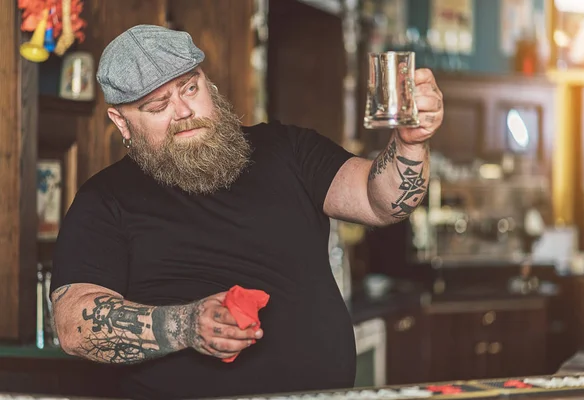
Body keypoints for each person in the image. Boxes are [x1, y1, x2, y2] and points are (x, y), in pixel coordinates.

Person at [50, 24, 444, 400]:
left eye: (190, 88)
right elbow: (73, 324)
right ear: (121, 121)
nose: (184, 110)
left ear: (208, 81)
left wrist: (411, 143)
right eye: (157, 106)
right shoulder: (104, 199)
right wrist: (185, 326)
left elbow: (382, 202)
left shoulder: (288, 149)